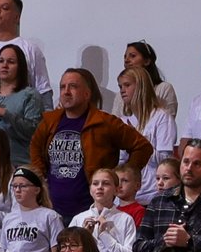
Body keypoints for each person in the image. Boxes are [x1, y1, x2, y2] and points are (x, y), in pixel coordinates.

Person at [31, 68, 153, 224]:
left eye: (73, 86)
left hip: (91, 210)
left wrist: (119, 177)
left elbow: (143, 146)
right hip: (53, 209)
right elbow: (35, 147)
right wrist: (41, 177)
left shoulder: (104, 122)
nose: (66, 91)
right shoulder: (50, 120)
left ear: (87, 94)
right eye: (62, 87)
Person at [114, 68, 177, 203]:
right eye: (120, 86)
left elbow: (164, 160)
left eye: (127, 85)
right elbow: (121, 162)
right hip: (127, 195)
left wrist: (138, 141)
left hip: (152, 194)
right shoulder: (124, 121)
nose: (122, 90)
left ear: (141, 87)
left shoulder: (161, 117)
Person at [70, 167, 135, 252]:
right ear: (90, 190)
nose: (99, 187)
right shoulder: (78, 219)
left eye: (106, 183)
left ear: (116, 190)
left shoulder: (125, 219)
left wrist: (105, 235)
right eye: (95, 183)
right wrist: (85, 237)